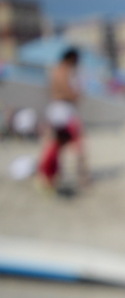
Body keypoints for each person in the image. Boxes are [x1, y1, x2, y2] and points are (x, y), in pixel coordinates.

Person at [37, 47, 89, 191]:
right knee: (74, 144)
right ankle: (80, 177)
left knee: (57, 145)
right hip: (63, 111)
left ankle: (50, 176)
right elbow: (66, 90)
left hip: (59, 110)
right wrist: (76, 95)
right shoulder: (63, 70)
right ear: (72, 58)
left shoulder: (57, 69)